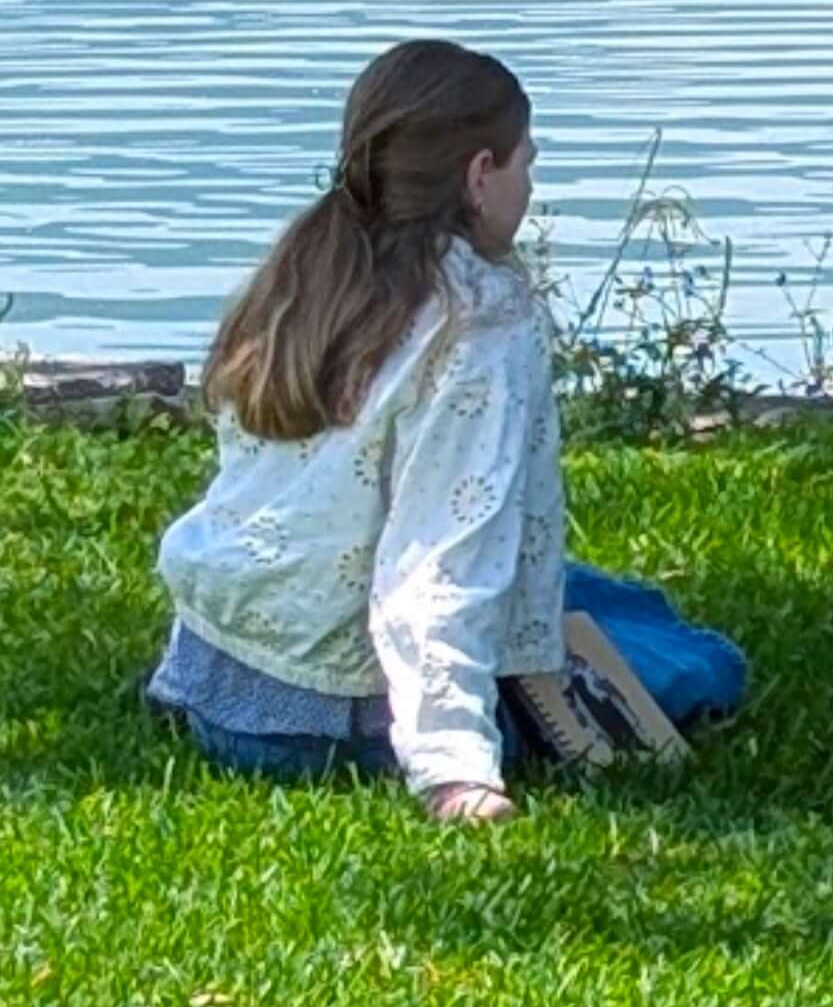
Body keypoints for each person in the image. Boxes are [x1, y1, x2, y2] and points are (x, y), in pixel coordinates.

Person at [148, 40, 568, 823]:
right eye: (526, 165)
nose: (530, 187)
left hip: (212, 682)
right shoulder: (481, 321)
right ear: (481, 175)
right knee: (671, 650)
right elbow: (443, 555)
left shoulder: (305, 269)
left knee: (592, 604)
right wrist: (456, 771)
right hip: (332, 725)